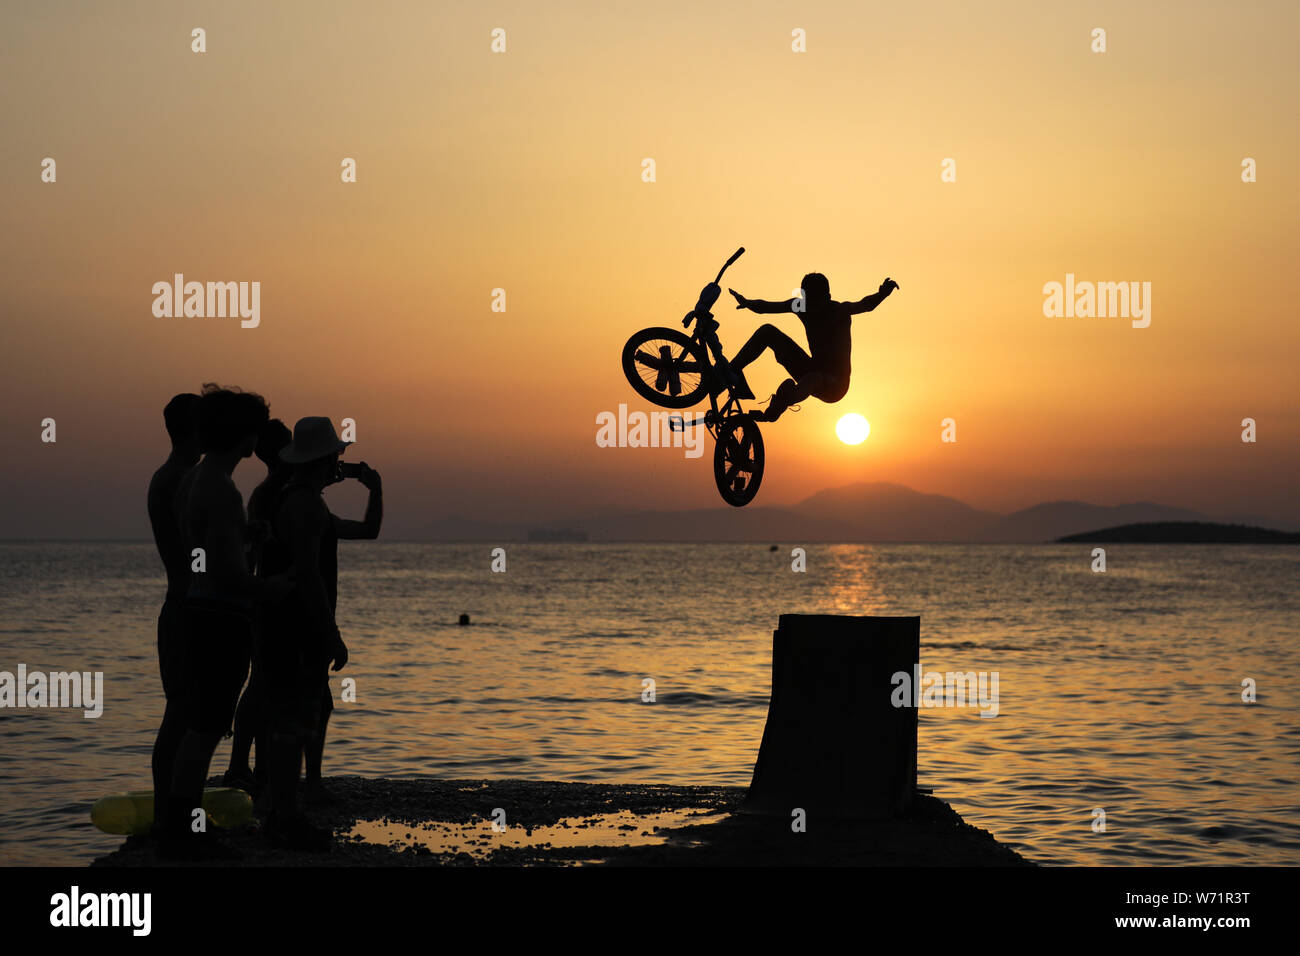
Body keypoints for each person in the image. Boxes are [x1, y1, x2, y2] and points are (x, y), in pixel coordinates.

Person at [161, 385, 287, 860]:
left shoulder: (195, 479)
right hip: (220, 617)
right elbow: (230, 573)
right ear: (245, 437)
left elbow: (206, 549)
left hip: (197, 609)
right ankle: (183, 832)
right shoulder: (223, 488)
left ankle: (178, 825)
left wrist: (243, 535)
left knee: (199, 723)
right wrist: (273, 588)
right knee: (208, 726)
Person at [260, 416, 381, 848]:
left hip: (287, 625)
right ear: (325, 459)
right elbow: (308, 574)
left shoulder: (299, 501)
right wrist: (330, 633)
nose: (340, 463)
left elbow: (368, 531)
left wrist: (375, 491)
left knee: (294, 716)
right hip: (298, 628)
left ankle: (281, 812)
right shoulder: (306, 506)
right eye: (336, 457)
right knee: (294, 719)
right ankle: (286, 818)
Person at [223, 417, 293, 792]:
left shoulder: (276, 489)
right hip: (266, 597)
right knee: (262, 681)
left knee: (270, 683)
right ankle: (239, 764)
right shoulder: (268, 494)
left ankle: (262, 765)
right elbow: (252, 553)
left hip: (270, 595)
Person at [725, 272, 899, 422]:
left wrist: (882, 294)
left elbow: (865, 305)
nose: (813, 307)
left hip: (836, 385)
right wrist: (747, 303)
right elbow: (768, 307)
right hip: (811, 369)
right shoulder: (802, 307)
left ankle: (779, 405)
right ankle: (731, 370)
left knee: (813, 378)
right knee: (767, 331)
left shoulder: (839, 310)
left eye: (816, 301)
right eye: (808, 300)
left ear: (827, 297)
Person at [146, 392, 201, 837]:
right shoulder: (180, 480)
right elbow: (195, 548)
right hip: (188, 610)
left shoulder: (173, 477)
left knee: (185, 716)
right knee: (183, 716)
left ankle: (176, 816)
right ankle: (172, 820)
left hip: (182, 606)